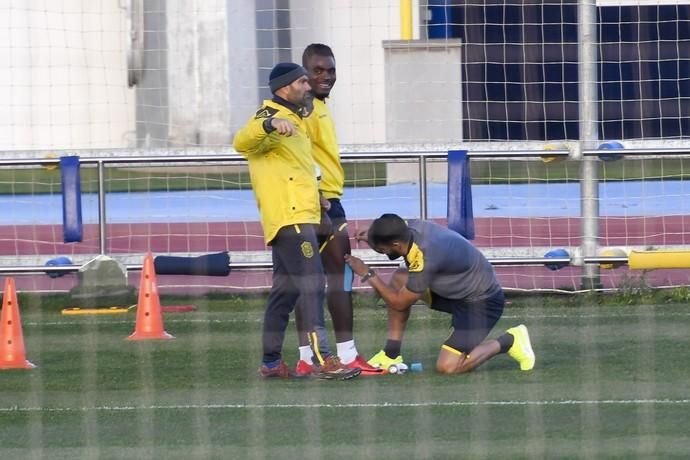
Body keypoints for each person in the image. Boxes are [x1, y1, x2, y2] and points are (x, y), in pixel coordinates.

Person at [233, 62, 360, 380]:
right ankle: (322, 359)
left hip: (301, 214)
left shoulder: (296, 120)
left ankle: (272, 363)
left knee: (285, 292)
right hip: (289, 219)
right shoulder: (268, 116)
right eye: (303, 81)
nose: (309, 86)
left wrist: (318, 200)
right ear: (284, 87)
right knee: (312, 284)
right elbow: (241, 142)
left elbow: (297, 170)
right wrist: (270, 124)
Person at [344, 213, 535, 374]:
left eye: (381, 249)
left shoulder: (426, 256)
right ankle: (391, 354)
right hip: (456, 290)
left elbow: (399, 303)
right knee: (399, 279)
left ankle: (509, 341)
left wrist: (367, 273)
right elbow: (391, 225)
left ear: (395, 243)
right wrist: (373, 232)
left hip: (481, 302)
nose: (381, 252)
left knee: (448, 367)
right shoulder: (408, 228)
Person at [292, 43, 382, 376]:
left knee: (312, 282)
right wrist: (319, 202)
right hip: (321, 204)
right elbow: (300, 156)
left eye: (330, 70)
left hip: (321, 201)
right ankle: (346, 355)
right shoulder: (305, 110)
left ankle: (305, 358)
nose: (326, 76)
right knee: (338, 280)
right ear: (304, 73)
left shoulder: (317, 106)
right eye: (318, 70)